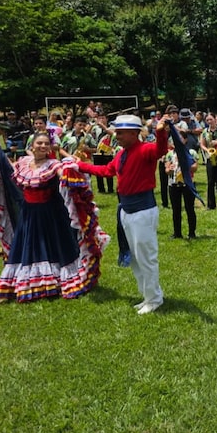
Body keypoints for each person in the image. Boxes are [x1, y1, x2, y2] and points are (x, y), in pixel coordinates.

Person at [0, 131, 109, 302]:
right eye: (39, 143)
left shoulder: (53, 165)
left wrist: (70, 169)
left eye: (46, 144)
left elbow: (63, 176)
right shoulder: (23, 163)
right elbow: (10, 172)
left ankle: (55, 281)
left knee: (51, 245)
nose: (43, 146)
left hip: (49, 214)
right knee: (28, 245)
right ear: (32, 146)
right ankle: (27, 282)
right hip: (28, 214)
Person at [76, 115, 168, 315]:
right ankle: (148, 296)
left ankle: (154, 298)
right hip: (127, 211)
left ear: (134, 133)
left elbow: (161, 149)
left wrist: (160, 131)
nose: (116, 136)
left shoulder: (145, 149)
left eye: (120, 132)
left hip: (142, 211)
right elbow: (107, 170)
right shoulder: (122, 154)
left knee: (146, 257)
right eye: (116, 131)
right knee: (136, 257)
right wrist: (80, 166)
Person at [165, 131, 198, 240]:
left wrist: (184, 162)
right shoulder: (170, 154)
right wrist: (169, 169)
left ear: (185, 140)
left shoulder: (191, 152)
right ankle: (177, 233)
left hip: (187, 184)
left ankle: (192, 233)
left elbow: (195, 168)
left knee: (190, 208)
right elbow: (167, 170)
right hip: (173, 184)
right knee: (176, 209)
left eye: (180, 139)